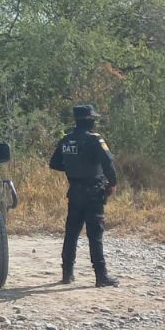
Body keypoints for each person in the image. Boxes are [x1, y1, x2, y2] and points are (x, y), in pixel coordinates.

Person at [49, 105, 119, 287]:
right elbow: (108, 164)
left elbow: (54, 163)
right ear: (90, 120)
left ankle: (67, 273)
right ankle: (101, 276)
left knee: (71, 233)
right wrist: (112, 183)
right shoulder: (95, 140)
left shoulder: (66, 140)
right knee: (95, 235)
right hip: (94, 192)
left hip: (74, 191)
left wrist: (72, 167)